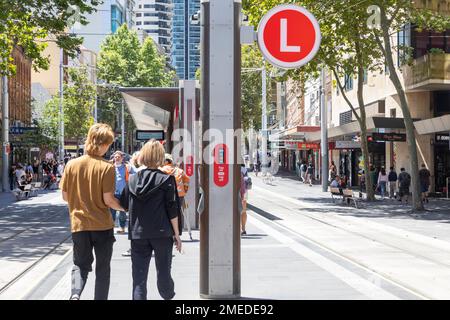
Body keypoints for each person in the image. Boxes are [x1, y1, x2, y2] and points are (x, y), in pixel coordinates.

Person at [60, 123, 124, 300]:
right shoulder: (107, 167)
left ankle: (75, 294)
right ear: (103, 144)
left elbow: (65, 196)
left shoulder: (71, 165)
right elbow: (108, 200)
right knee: (103, 269)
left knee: (80, 265)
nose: (108, 148)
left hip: (79, 225)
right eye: (108, 144)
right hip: (102, 226)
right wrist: (124, 208)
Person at [119, 139, 182, 300]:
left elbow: (124, 204)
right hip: (162, 233)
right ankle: (167, 296)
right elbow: (172, 210)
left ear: (143, 156)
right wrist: (177, 235)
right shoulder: (167, 180)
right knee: (164, 273)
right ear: (161, 156)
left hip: (138, 235)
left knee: (139, 279)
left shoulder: (132, 180)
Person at [160, 153, 191, 240]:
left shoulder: (161, 170)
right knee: (177, 213)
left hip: (164, 194)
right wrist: (184, 190)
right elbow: (187, 179)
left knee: (165, 213)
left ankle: (167, 232)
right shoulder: (179, 171)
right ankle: (177, 233)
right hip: (179, 194)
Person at [111, 151, 134, 234]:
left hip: (123, 193)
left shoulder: (127, 167)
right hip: (112, 193)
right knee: (111, 211)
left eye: (118, 157)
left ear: (122, 158)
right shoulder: (110, 167)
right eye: (115, 157)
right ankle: (110, 227)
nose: (117, 158)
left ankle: (122, 227)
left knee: (122, 211)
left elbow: (135, 175)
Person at [240, 164, 249, 235]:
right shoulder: (243, 169)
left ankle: (241, 228)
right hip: (244, 191)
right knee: (243, 210)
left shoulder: (229, 167)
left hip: (237, 191)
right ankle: (243, 228)